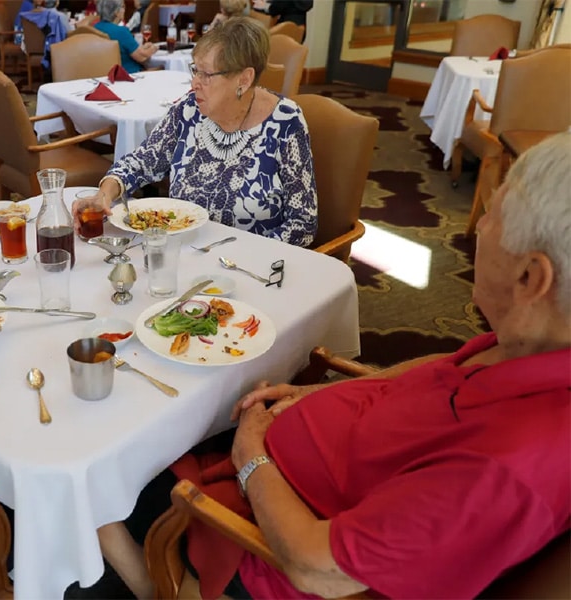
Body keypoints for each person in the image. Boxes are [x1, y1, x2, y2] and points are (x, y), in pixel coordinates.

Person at [99, 132, 571, 599]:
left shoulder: (504, 469)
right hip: (277, 458)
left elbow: (315, 568)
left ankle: (150, 586)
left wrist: (251, 456)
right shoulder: (531, 345)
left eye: (491, 214)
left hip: (256, 539)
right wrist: (311, 394)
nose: (481, 226)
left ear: (530, 277)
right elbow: (442, 366)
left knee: (98, 476)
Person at [74, 17, 317, 247]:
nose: (194, 83)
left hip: (252, 270)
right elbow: (139, 162)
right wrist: (104, 195)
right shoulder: (189, 110)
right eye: (195, 70)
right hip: (184, 254)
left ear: (244, 79)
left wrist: (243, 254)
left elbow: (302, 223)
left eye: (206, 75)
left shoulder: (285, 122)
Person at [93, 0, 156, 74]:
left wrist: (143, 48)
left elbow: (129, 49)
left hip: (105, 75)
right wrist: (152, 49)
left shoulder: (94, 28)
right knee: (164, 68)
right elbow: (141, 57)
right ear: (116, 12)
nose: (124, 10)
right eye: (122, 7)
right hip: (129, 75)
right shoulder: (121, 31)